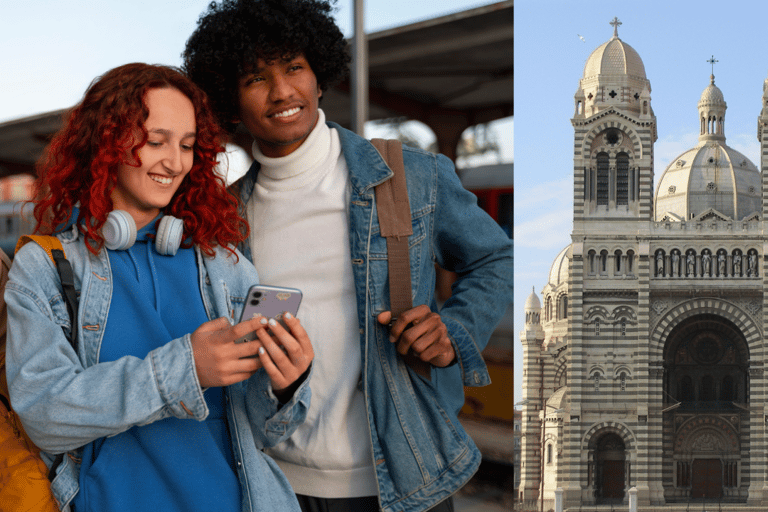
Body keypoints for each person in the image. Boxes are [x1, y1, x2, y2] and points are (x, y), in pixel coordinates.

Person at [184, 1, 514, 511]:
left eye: (294, 67)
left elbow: (497, 259)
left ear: (319, 77)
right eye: (255, 78)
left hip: (406, 479)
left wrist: (455, 330)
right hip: (276, 484)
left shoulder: (410, 177)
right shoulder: (224, 218)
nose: (282, 92)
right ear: (232, 100)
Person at [4, 63, 314, 512]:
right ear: (106, 144)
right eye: (155, 142)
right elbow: (45, 416)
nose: (175, 162)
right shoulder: (47, 266)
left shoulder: (224, 263)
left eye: (187, 146)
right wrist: (186, 367)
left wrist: (285, 386)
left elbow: (265, 431)